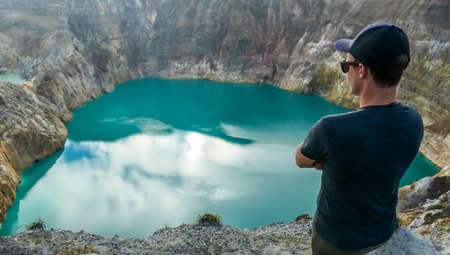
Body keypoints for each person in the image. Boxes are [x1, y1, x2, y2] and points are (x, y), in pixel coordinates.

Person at [295, 22, 424, 255]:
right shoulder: (414, 121)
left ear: (361, 69)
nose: (346, 71)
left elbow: (301, 158)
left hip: (335, 242)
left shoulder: (331, 129)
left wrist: (324, 158)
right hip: (382, 232)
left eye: (347, 65)